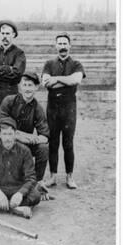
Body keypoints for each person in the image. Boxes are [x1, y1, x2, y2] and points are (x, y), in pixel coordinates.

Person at [42, 32, 86, 189]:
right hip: (52, 108)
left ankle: (69, 177)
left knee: (68, 143)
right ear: (55, 46)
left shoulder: (76, 64)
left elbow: (77, 79)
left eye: (64, 44)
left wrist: (57, 79)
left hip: (69, 108)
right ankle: (53, 177)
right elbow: (45, 82)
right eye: (59, 44)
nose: (62, 46)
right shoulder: (49, 64)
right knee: (52, 142)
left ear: (69, 46)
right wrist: (67, 82)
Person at [0, 117, 41, 219]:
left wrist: (20, 193)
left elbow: (31, 178)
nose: (8, 138)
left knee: (36, 195)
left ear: (15, 134)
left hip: (18, 189)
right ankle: (17, 209)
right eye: (5, 134)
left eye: (10, 134)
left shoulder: (25, 151)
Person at [0, 71, 50, 196]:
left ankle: (36, 182)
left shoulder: (37, 108)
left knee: (43, 148)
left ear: (36, 87)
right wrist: (26, 137)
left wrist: (33, 139)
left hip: (24, 146)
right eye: (25, 85)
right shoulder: (9, 101)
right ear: (20, 87)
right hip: (6, 142)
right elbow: (4, 129)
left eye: (30, 85)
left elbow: (45, 137)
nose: (27, 89)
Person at [0, 20, 26, 135]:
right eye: (2, 33)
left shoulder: (19, 53)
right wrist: (8, 68)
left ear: (13, 35)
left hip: (11, 93)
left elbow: (17, 73)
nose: (5, 37)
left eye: (7, 34)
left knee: (11, 127)